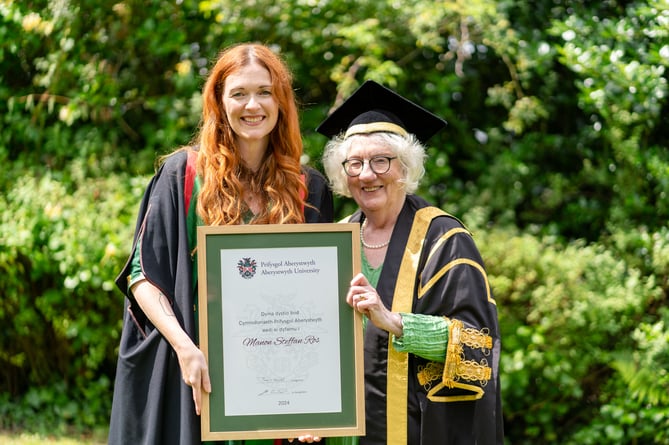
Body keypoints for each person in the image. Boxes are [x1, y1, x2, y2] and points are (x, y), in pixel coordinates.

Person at [108, 43, 334, 445]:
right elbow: (143, 276)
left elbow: (317, 304)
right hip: (194, 370)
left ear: (281, 101)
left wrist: (313, 395)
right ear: (219, 101)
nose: (253, 105)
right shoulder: (184, 175)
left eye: (265, 92)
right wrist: (184, 348)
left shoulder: (307, 187)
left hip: (273, 378)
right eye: (239, 93)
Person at [317, 80, 504, 444]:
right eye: (354, 164)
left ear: (405, 168)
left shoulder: (444, 239)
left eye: (380, 161)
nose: (367, 174)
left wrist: (393, 322)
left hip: (414, 428)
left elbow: (476, 345)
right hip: (342, 432)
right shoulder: (334, 241)